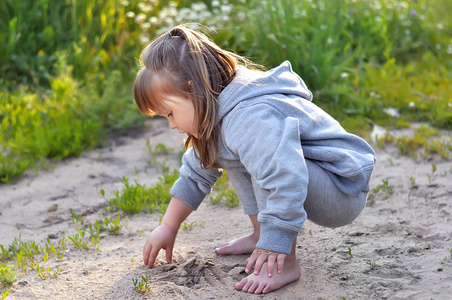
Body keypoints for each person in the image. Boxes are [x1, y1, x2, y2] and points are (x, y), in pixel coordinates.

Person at [134, 24, 376, 295]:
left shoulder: (248, 118)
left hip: (341, 188)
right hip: (307, 176)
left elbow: (283, 175)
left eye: (169, 113)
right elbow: (195, 173)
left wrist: (276, 242)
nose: (171, 125)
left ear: (193, 90)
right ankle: (260, 233)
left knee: (267, 163)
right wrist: (168, 226)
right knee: (235, 156)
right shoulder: (214, 111)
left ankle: (285, 263)